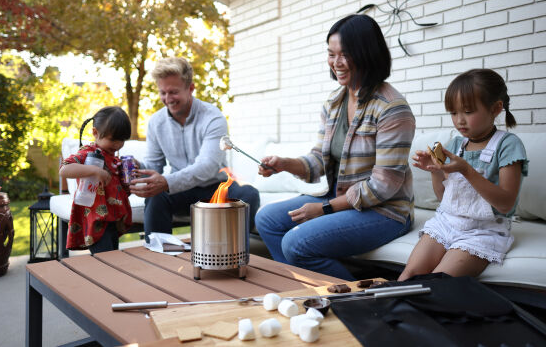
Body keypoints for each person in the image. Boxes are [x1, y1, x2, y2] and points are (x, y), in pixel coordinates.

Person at [255, 14, 415, 280]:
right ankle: (301, 286)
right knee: (267, 219)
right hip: (337, 196)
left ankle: (356, 299)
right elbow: (319, 159)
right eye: (331, 54)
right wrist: (284, 164)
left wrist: (325, 209)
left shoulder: (391, 108)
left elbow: (384, 186)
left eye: (345, 54)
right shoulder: (334, 102)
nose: (336, 63)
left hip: (384, 211)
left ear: (366, 53)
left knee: (296, 243)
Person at [399, 69, 528, 281]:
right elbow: (446, 200)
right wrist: (436, 171)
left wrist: (466, 170)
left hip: (483, 232)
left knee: (438, 282)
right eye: (453, 113)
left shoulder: (508, 145)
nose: (459, 120)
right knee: (409, 274)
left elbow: (506, 204)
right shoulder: (456, 145)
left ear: (496, 108)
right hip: (446, 223)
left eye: (468, 112)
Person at [130, 57, 260, 238]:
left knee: (249, 195)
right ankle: (158, 252)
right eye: (163, 93)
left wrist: (167, 182)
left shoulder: (213, 118)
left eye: (173, 92)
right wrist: (140, 169)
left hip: (214, 188)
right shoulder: (155, 123)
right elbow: (154, 166)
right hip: (179, 190)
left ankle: (228, 253)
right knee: (156, 196)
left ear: (190, 88)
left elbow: (207, 167)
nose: (168, 99)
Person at [60, 106, 133, 254]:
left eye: (122, 140)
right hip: (96, 219)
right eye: (113, 140)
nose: (117, 145)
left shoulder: (113, 157)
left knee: (113, 257)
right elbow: (64, 170)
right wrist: (94, 170)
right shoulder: (88, 153)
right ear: (95, 133)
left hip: (113, 219)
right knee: (106, 261)